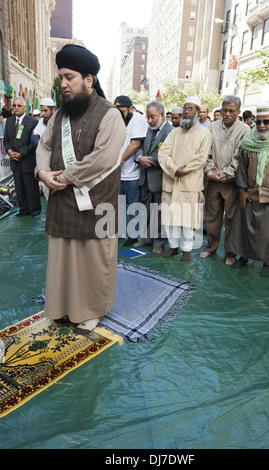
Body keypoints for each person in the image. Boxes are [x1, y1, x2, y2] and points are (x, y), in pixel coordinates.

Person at [35, 44, 126, 335]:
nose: (63, 83)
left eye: (69, 77)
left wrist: (64, 178)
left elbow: (103, 158)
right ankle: (61, 308)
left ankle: (91, 311)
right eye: (61, 77)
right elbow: (44, 146)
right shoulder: (59, 115)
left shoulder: (110, 115)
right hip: (63, 202)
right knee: (63, 259)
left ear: (88, 79)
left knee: (93, 262)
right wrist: (42, 172)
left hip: (97, 205)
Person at [227, 103, 269, 276]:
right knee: (244, 228)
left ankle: (267, 262)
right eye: (258, 122)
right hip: (250, 194)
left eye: (266, 122)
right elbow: (242, 167)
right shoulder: (249, 140)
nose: (261, 126)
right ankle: (243, 257)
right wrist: (242, 190)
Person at [158, 96, 212, 262]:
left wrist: (184, 169)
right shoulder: (174, 133)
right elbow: (163, 153)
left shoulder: (204, 133)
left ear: (197, 112)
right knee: (170, 218)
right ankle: (173, 247)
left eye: (191, 109)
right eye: (185, 109)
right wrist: (175, 169)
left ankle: (186, 250)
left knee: (188, 220)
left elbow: (201, 158)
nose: (187, 112)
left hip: (190, 183)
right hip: (171, 181)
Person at [200, 95, 250, 265]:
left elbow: (240, 158)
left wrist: (225, 174)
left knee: (231, 219)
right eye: (225, 110)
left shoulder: (245, 130)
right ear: (220, 110)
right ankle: (210, 247)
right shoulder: (211, 127)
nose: (227, 114)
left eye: (231, 111)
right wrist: (209, 171)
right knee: (211, 217)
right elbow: (205, 152)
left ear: (238, 112)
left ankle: (230, 252)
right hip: (213, 180)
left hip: (232, 183)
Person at [134, 101, 173, 253]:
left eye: (153, 117)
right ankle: (146, 239)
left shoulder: (171, 132)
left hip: (160, 178)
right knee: (146, 210)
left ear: (162, 115)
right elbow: (139, 148)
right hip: (145, 178)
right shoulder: (148, 130)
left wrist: (146, 160)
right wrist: (139, 158)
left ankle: (159, 242)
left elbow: (167, 155)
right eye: (148, 117)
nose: (150, 120)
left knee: (159, 211)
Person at [114, 95, 148, 246]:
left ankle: (133, 236)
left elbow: (135, 144)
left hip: (132, 173)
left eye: (121, 110)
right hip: (116, 172)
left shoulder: (138, 121)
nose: (119, 113)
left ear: (130, 109)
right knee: (119, 204)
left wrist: (119, 161)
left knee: (134, 206)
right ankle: (119, 232)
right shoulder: (115, 120)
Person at [4, 96, 41, 218]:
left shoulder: (33, 122)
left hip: (27, 160)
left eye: (19, 106)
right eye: (14, 105)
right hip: (14, 162)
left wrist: (21, 153)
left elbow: (34, 143)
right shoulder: (9, 121)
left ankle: (34, 211)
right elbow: (6, 140)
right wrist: (9, 151)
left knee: (31, 188)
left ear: (25, 108)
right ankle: (23, 210)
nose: (16, 108)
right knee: (19, 188)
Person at [32, 98, 57, 200]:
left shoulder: (60, 121)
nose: (43, 114)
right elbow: (34, 138)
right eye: (41, 111)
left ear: (53, 110)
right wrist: (44, 147)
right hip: (45, 163)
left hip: (58, 163)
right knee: (47, 193)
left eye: (45, 111)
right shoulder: (41, 122)